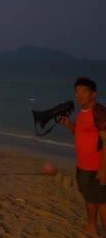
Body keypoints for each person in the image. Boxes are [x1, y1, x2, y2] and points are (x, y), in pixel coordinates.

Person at [60, 77, 106, 236]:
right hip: (83, 166)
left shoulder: (99, 112)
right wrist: (69, 124)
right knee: (89, 198)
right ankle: (92, 227)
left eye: (83, 92)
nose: (79, 95)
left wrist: (104, 169)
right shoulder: (81, 112)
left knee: (102, 202)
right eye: (77, 92)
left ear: (93, 94)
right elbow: (79, 133)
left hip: (96, 167)